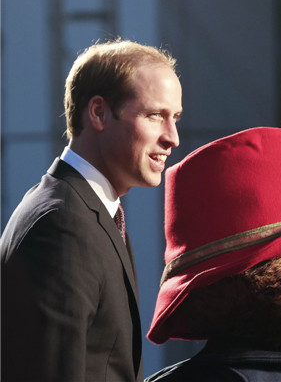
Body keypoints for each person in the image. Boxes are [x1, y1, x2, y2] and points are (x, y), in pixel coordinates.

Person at [1, 39, 182, 382]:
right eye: (155, 115)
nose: (172, 137)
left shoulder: (86, 212)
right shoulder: (63, 225)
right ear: (98, 112)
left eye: (175, 117)